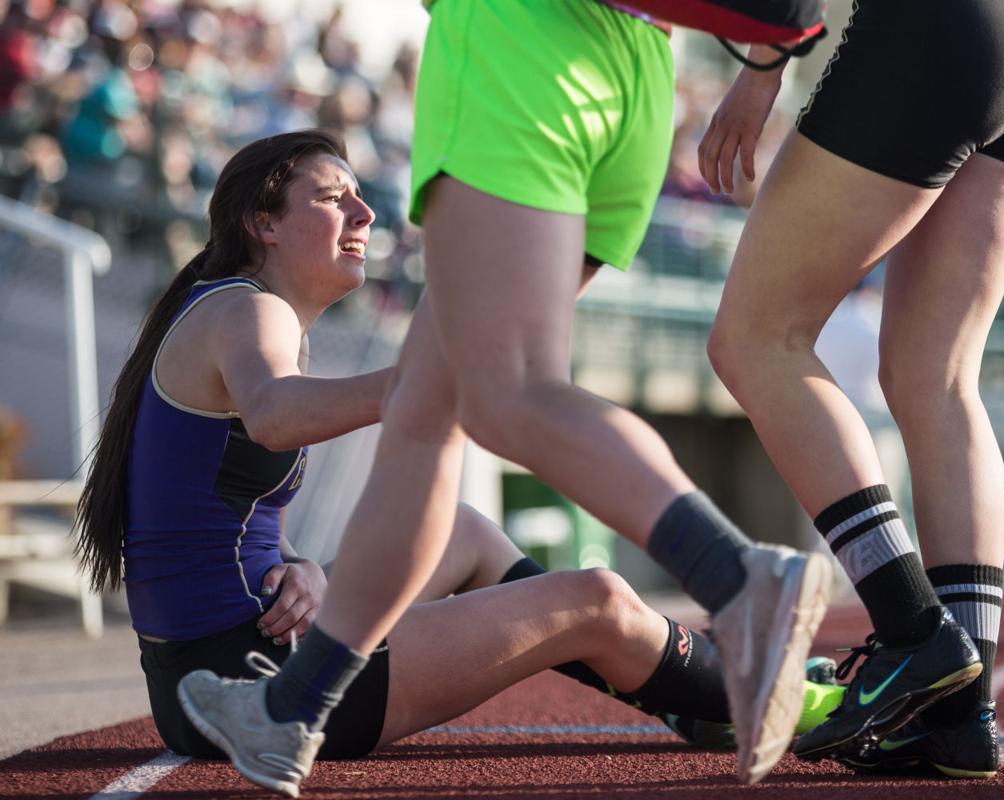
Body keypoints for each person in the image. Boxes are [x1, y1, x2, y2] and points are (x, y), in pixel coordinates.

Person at [176, 1, 834, 794]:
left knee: (508, 391)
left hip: (519, 50)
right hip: (633, 75)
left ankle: (741, 581)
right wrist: (763, 71)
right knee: (427, 417)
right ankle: (293, 712)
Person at [697, 0, 1004, 779]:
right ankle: (957, 717)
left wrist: (763, 62)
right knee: (937, 377)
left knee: (754, 339)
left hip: (940, 29)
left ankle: (914, 630)